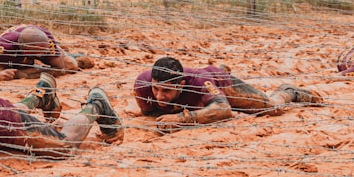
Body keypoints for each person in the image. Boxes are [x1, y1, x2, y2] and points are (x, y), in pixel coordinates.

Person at [132, 57, 323, 133]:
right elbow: (150, 114)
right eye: (156, 89)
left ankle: (289, 91)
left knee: (272, 108)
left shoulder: (199, 81)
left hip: (220, 83)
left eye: (167, 91)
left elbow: (224, 110)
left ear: (181, 85)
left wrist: (180, 119)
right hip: (198, 99)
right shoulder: (142, 85)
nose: (158, 96)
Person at [0, 24, 93, 81]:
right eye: (42, 51)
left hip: (32, 51)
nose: (46, 52)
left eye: (46, 49)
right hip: (16, 56)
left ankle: (71, 56)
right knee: (9, 67)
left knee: (71, 65)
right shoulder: (4, 47)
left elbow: (60, 69)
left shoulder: (46, 39)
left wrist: (24, 75)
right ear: (26, 49)